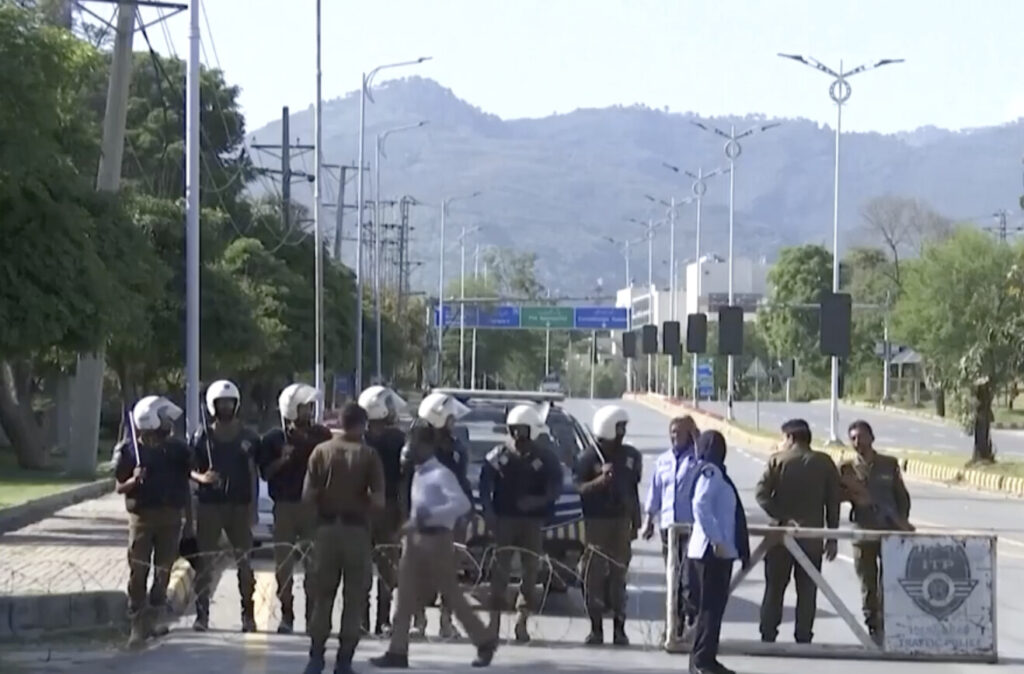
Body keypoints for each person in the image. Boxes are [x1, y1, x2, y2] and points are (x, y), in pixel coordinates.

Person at [371, 393, 498, 669]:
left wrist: (429, 516)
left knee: (450, 592)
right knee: (405, 594)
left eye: (416, 444)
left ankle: (484, 639)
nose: (410, 449)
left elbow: (461, 504)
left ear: (427, 446)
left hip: (436, 539)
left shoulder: (440, 472)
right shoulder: (420, 472)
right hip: (416, 538)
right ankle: (397, 651)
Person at [301, 402, 386, 674]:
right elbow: (379, 501)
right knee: (354, 596)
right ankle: (344, 660)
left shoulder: (321, 451)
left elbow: (307, 496)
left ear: (340, 422)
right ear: (363, 425)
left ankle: (316, 656)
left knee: (322, 594)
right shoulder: (369, 455)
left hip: (326, 530)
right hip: (356, 531)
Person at [478, 404, 562, 643]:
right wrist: (489, 512)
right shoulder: (498, 455)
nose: (517, 436)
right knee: (500, 572)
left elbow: (555, 488)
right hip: (504, 520)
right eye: (514, 430)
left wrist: (538, 501)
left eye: (522, 430)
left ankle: (522, 620)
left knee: (530, 572)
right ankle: (493, 622)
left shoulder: (545, 457)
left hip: (532, 522)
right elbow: (484, 485)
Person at [755, 418, 841, 644]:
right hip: (812, 538)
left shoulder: (777, 461)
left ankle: (768, 633)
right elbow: (833, 502)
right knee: (807, 590)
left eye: (783, 438)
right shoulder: (824, 462)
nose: (781, 443)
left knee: (774, 588)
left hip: (780, 537)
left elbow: (761, 494)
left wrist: (781, 517)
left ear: (791, 437)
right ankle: (803, 636)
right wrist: (832, 537)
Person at [114, 395, 191, 648]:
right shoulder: (129, 451)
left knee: (163, 570)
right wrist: (133, 480)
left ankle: (155, 619)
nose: (169, 423)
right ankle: (137, 624)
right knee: (139, 570)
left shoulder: (178, 450)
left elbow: (188, 480)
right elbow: (119, 486)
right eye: (164, 418)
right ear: (151, 420)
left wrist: (190, 521)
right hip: (142, 519)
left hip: (171, 518)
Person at [258, 383, 333, 635]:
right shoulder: (274, 439)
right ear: (291, 409)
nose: (309, 411)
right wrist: (283, 459)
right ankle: (287, 614)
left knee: (315, 565)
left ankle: (313, 617)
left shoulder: (321, 435)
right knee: (284, 564)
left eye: (310, 406)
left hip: (313, 507)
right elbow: (265, 473)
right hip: (285, 507)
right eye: (304, 407)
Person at [190, 379, 261, 633]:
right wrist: (202, 478)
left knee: (245, 562)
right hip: (210, 506)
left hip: (239, 506)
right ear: (213, 405)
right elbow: (189, 468)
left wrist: (253, 508)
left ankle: (248, 614)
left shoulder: (249, 437)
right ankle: (201, 615)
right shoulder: (201, 436)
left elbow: (254, 473)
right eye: (221, 403)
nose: (226, 407)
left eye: (230, 403)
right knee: (205, 562)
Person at [401, 392, 474, 640]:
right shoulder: (415, 447)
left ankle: (446, 621)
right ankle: (418, 620)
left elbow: (461, 481)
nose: (454, 421)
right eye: (450, 417)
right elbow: (405, 483)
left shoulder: (456, 446)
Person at [574, 404, 642, 646]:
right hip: (596, 523)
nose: (623, 433)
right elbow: (578, 489)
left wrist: (636, 521)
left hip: (621, 522)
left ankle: (619, 629)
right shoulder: (587, 458)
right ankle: (596, 629)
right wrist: (599, 482)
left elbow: (633, 490)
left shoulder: (632, 456)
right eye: (619, 428)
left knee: (618, 576)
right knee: (592, 576)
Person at [840, 419, 912, 644]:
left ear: (872, 438)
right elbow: (836, 496)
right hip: (862, 533)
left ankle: (889, 623)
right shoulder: (846, 468)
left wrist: (901, 522)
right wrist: (852, 495)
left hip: (889, 531)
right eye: (853, 438)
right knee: (868, 583)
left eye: (861, 437)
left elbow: (902, 497)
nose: (857, 442)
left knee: (888, 582)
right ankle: (873, 625)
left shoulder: (888, 464)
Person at [687, 430, 750, 674]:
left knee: (711, 610)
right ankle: (703, 661)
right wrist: (717, 539)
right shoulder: (711, 472)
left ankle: (703, 659)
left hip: (714, 551)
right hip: (711, 552)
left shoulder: (714, 472)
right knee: (710, 609)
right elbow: (700, 504)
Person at [641, 415, 701, 638]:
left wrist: (698, 439)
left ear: (690, 434)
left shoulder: (697, 459)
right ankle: (673, 625)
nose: (675, 436)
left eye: (680, 432)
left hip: (690, 528)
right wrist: (649, 521)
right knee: (672, 577)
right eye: (672, 432)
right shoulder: (663, 460)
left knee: (689, 579)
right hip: (668, 527)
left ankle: (690, 621)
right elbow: (655, 492)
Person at [358, 385, 409, 636]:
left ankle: (375, 619)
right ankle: (371, 620)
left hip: (379, 508)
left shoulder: (391, 439)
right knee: (371, 568)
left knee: (381, 568)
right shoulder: (390, 440)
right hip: (374, 510)